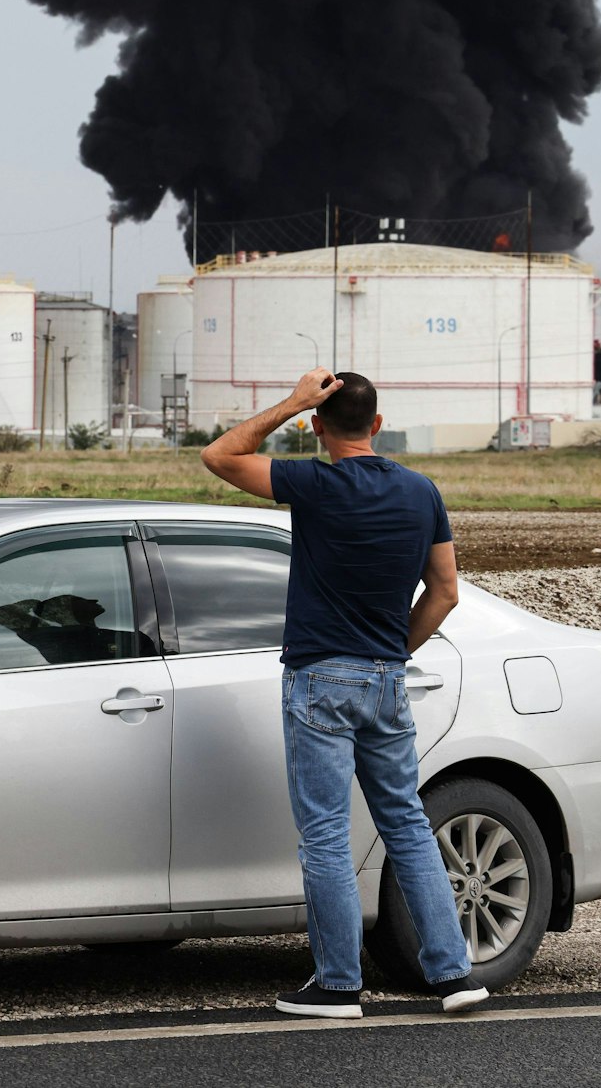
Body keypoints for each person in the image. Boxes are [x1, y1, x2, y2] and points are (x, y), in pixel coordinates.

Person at [201, 368, 487, 1020]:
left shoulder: (313, 482)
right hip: (387, 678)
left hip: (320, 676)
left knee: (326, 831)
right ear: (379, 425)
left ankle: (337, 984)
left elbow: (219, 455)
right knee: (407, 823)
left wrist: (294, 401)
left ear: (317, 427)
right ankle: (452, 973)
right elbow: (445, 592)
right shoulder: (422, 493)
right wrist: (392, 654)